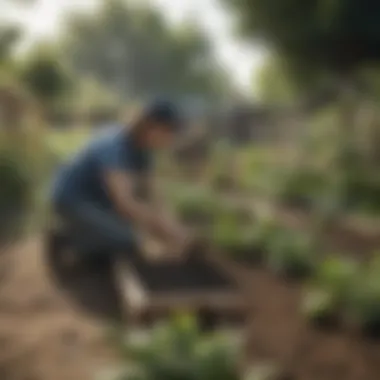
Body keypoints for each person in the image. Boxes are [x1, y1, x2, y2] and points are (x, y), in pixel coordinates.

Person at [51, 100, 192, 265]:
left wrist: (174, 226)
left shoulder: (145, 151)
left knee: (132, 232)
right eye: (169, 132)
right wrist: (162, 228)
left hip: (100, 201)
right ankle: (72, 242)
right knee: (128, 240)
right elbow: (124, 204)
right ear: (150, 126)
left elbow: (154, 194)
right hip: (74, 201)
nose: (171, 139)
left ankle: (90, 234)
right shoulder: (114, 146)